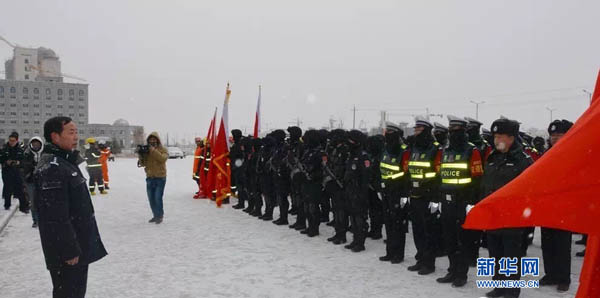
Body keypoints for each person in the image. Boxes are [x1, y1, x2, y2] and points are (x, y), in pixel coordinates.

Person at [35, 116, 107, 298]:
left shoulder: (64, 162)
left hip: (76, 245)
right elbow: (55, 215)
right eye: (71, 132)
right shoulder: (53, 167)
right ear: (55, 137)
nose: (76, 136)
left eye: (76, 132)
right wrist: (68, 250)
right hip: (67, 253)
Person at [482, 118, 533, 298]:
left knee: (511, 256)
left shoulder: (523, 160)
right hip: (493, 216)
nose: (497, 140)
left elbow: (529, 189)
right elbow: (486, 184)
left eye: (501, 136)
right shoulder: (492, 157)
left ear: (511, 138)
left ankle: (511, 290)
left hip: (512, 217)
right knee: (495, 254)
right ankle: (499, 286)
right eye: (495, 136)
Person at [436, 116, 484, 287]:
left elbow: (477, 178)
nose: (452, 132)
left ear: (463, 131)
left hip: (462, 201)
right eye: (451, 129)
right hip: (447, 200)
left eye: (455, 129)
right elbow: (440, 175)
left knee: (462, 239)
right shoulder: (446, 150)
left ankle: (461, 274)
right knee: (449, 238)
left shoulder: (472, 151)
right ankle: (452, 269)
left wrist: (471, 202)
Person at [540, 119, 574, 292]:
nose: (555, 139)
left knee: (562, 244)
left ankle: (563, 278)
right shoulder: (546, 154)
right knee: (547, 243)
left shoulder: (574, 154)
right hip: (546, 206)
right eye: (552, 136)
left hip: (564, 207)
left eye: (559, 136)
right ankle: (550, 274)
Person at [407, 116, 443, 276]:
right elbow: (410, 171)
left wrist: (435, 198)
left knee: (429, 231)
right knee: (417, 230)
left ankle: (429, 263)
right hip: (415, 195)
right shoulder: (415, 148)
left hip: (428, 196)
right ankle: (420, 258)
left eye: (418, 130)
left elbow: (439, 175)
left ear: (426, 131)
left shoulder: (436, 149)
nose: (415, 132)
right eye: (415, 129)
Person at [378, 122, 410, 263]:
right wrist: (381, 187)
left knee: (398, 224)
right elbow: (382, 170)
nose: (387, 134)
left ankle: (398, 254)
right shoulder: (386, 149)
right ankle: (390, 252)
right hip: (386, 190)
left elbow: (407, 174)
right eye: (386, 131)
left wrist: (404, 194)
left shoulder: (404, 151)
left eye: (390, 132)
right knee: (388, 222)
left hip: (398, 190)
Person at [343, 130, 371, 252]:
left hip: (359, 191)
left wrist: (362, 193)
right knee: (353, 217)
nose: (348, 143)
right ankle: (355, 240)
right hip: (351, 190)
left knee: (360, 218)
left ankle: (360, 242)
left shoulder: (363, 155)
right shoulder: (352, 154)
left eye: (350, 141)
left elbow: (365, 176)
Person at [137, 132, 169, 224]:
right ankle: (155, 215)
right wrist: (140, 154)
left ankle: (160, 216)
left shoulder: (163, 149)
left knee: (158, 197)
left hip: (160, 177)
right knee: (151, 198)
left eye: (154, 139)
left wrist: (153, 150)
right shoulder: (147, 150)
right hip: (150, 177)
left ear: (158, 140)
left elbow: (163, 159)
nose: (152, 141)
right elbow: (143, 164)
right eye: (150, 140)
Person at [1, 131, 29, 212]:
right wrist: (6, 161)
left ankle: (23, 207)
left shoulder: (20, 150)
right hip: (7, 171)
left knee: (20, 189)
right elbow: (1, 158)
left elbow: (24, 161)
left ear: (16, 141)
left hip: (17, 172)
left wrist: (18, 162)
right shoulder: (4, 149)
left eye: (13, 141)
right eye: (10, 140)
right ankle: (7, 205)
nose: (11, 142)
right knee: (7, 188)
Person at [22, 137, 44, 227]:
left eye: (37, 144)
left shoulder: (45, 154)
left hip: (43, 181)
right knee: (33, 201)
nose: (35, 146)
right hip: (30, 181)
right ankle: (35, 220)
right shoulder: (27, 154)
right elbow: (23, 166)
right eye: (34, 144)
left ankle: (43, 219)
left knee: (43, 201)